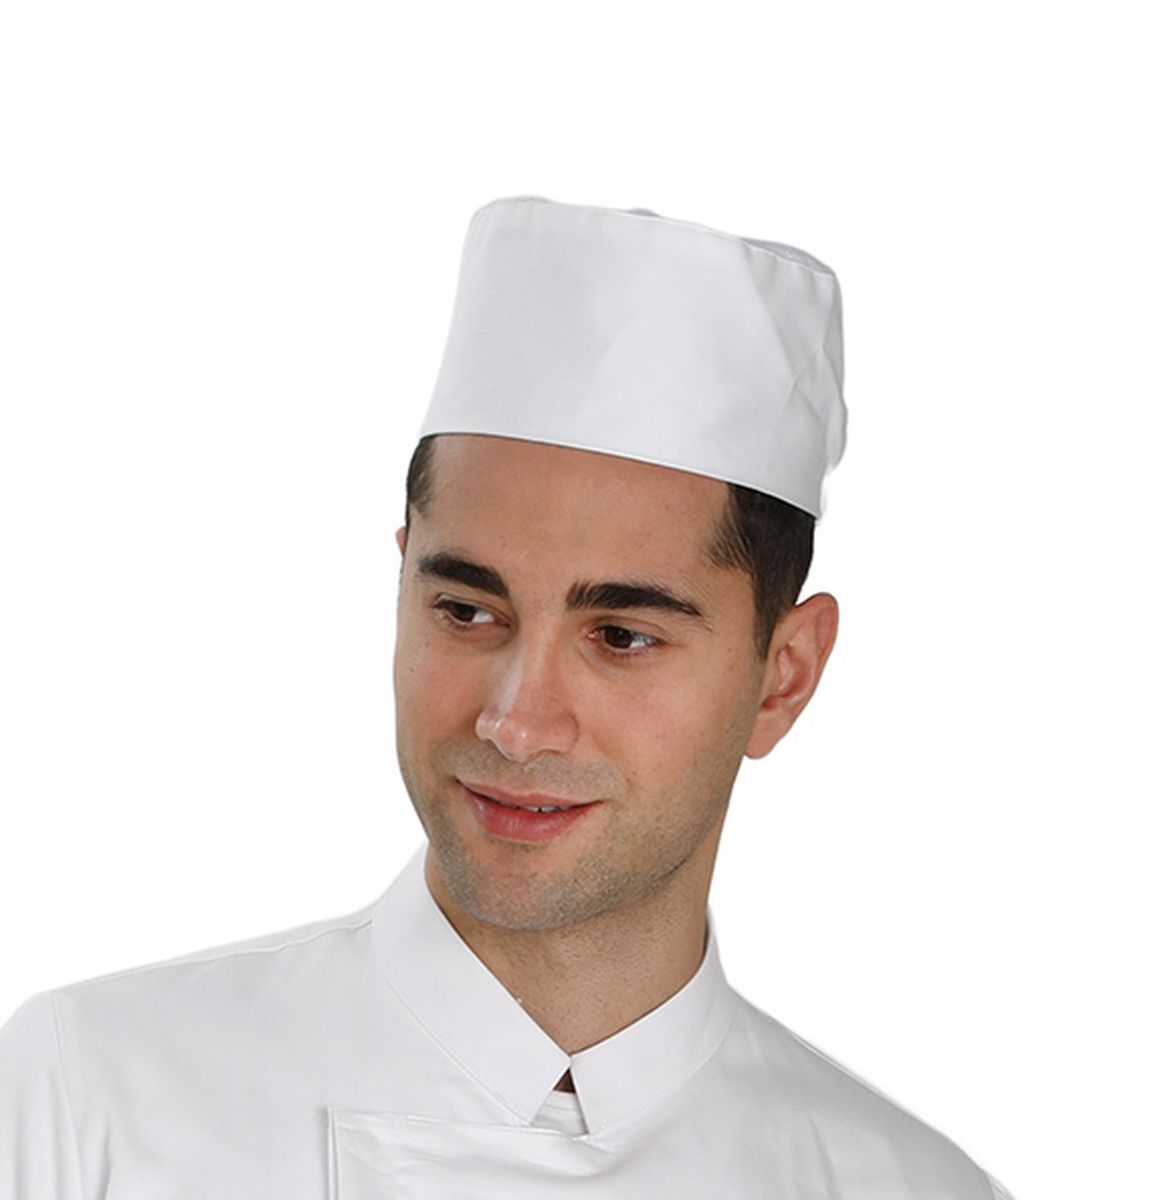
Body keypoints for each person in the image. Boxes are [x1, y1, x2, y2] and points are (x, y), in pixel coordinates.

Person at [0, 196, 1012, 1198]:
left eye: (621, 637)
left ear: (782, 677)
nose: (516, 724)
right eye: (467, 611)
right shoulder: (90, 1101)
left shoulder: (911, 1188)